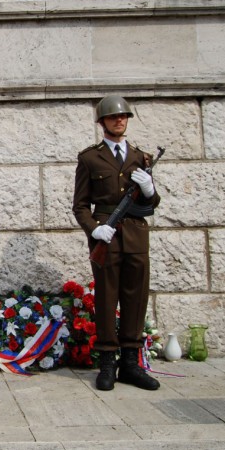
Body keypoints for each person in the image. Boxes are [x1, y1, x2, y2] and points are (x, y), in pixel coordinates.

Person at [72, 95, 161, 392]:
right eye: (113, 117)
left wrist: (149, 189)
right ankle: (108, 363)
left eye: (123, 116)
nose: (119, 120)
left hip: (136, 235)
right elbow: (80, 206)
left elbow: (152, 203)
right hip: (106, 237)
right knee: (107, 298)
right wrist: (95, 229)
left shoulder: (141, 157)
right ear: (102, 122)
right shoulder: (90, 158)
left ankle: (131, 364)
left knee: (136, 298)